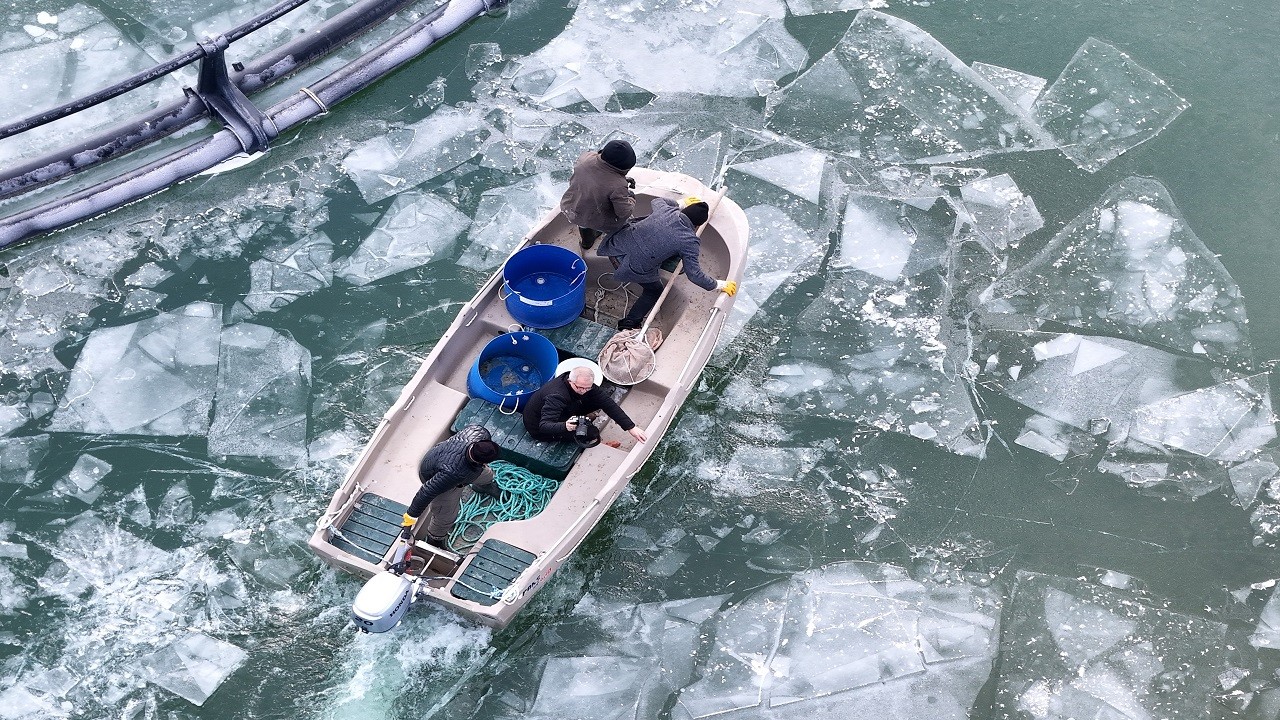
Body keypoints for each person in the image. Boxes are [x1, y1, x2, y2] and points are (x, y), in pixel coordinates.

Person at [596, 196, 737, 330]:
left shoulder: (665, 209)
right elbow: (694, 274)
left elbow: (657, 200)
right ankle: (630, 322)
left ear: (683, 211)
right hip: (628, 266)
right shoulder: (689, 241)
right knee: (654, 291)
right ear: (697, 225)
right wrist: (719, 285)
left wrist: (681, 202)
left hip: (614, 248)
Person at [400, 425, 503, 548]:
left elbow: (477, 428)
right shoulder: (451, 474)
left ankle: (484, 486)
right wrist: (411, 516)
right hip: (438, 476)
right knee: (446, 516)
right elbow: (426, 491)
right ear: (482, 463)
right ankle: (435, 539)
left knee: (487, 475)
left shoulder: (478, 432)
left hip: (451, 460)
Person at [523, 366, 648, 445]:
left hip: (565, 410)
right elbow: (544, 425)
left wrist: (631, 427)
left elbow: (608, 403)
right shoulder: (556, 396)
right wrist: (565, 426)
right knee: (592, 432)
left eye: (587, 388)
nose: (584, 391)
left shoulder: (585, 386)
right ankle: (600, 443)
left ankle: (579, 417)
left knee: (597, 400)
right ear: (570, 381)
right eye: (580, 388)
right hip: (541, 426)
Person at [560, 139, 637, 250]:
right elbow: (623, 212)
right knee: (627, 211)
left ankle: (587, 242)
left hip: (573, 209)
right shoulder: (618, 186)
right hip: (599, 220)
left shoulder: (584, 159)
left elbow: (598, 176)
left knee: (583, 223)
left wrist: (619, 179)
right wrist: (630, 198)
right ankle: (611, 243)